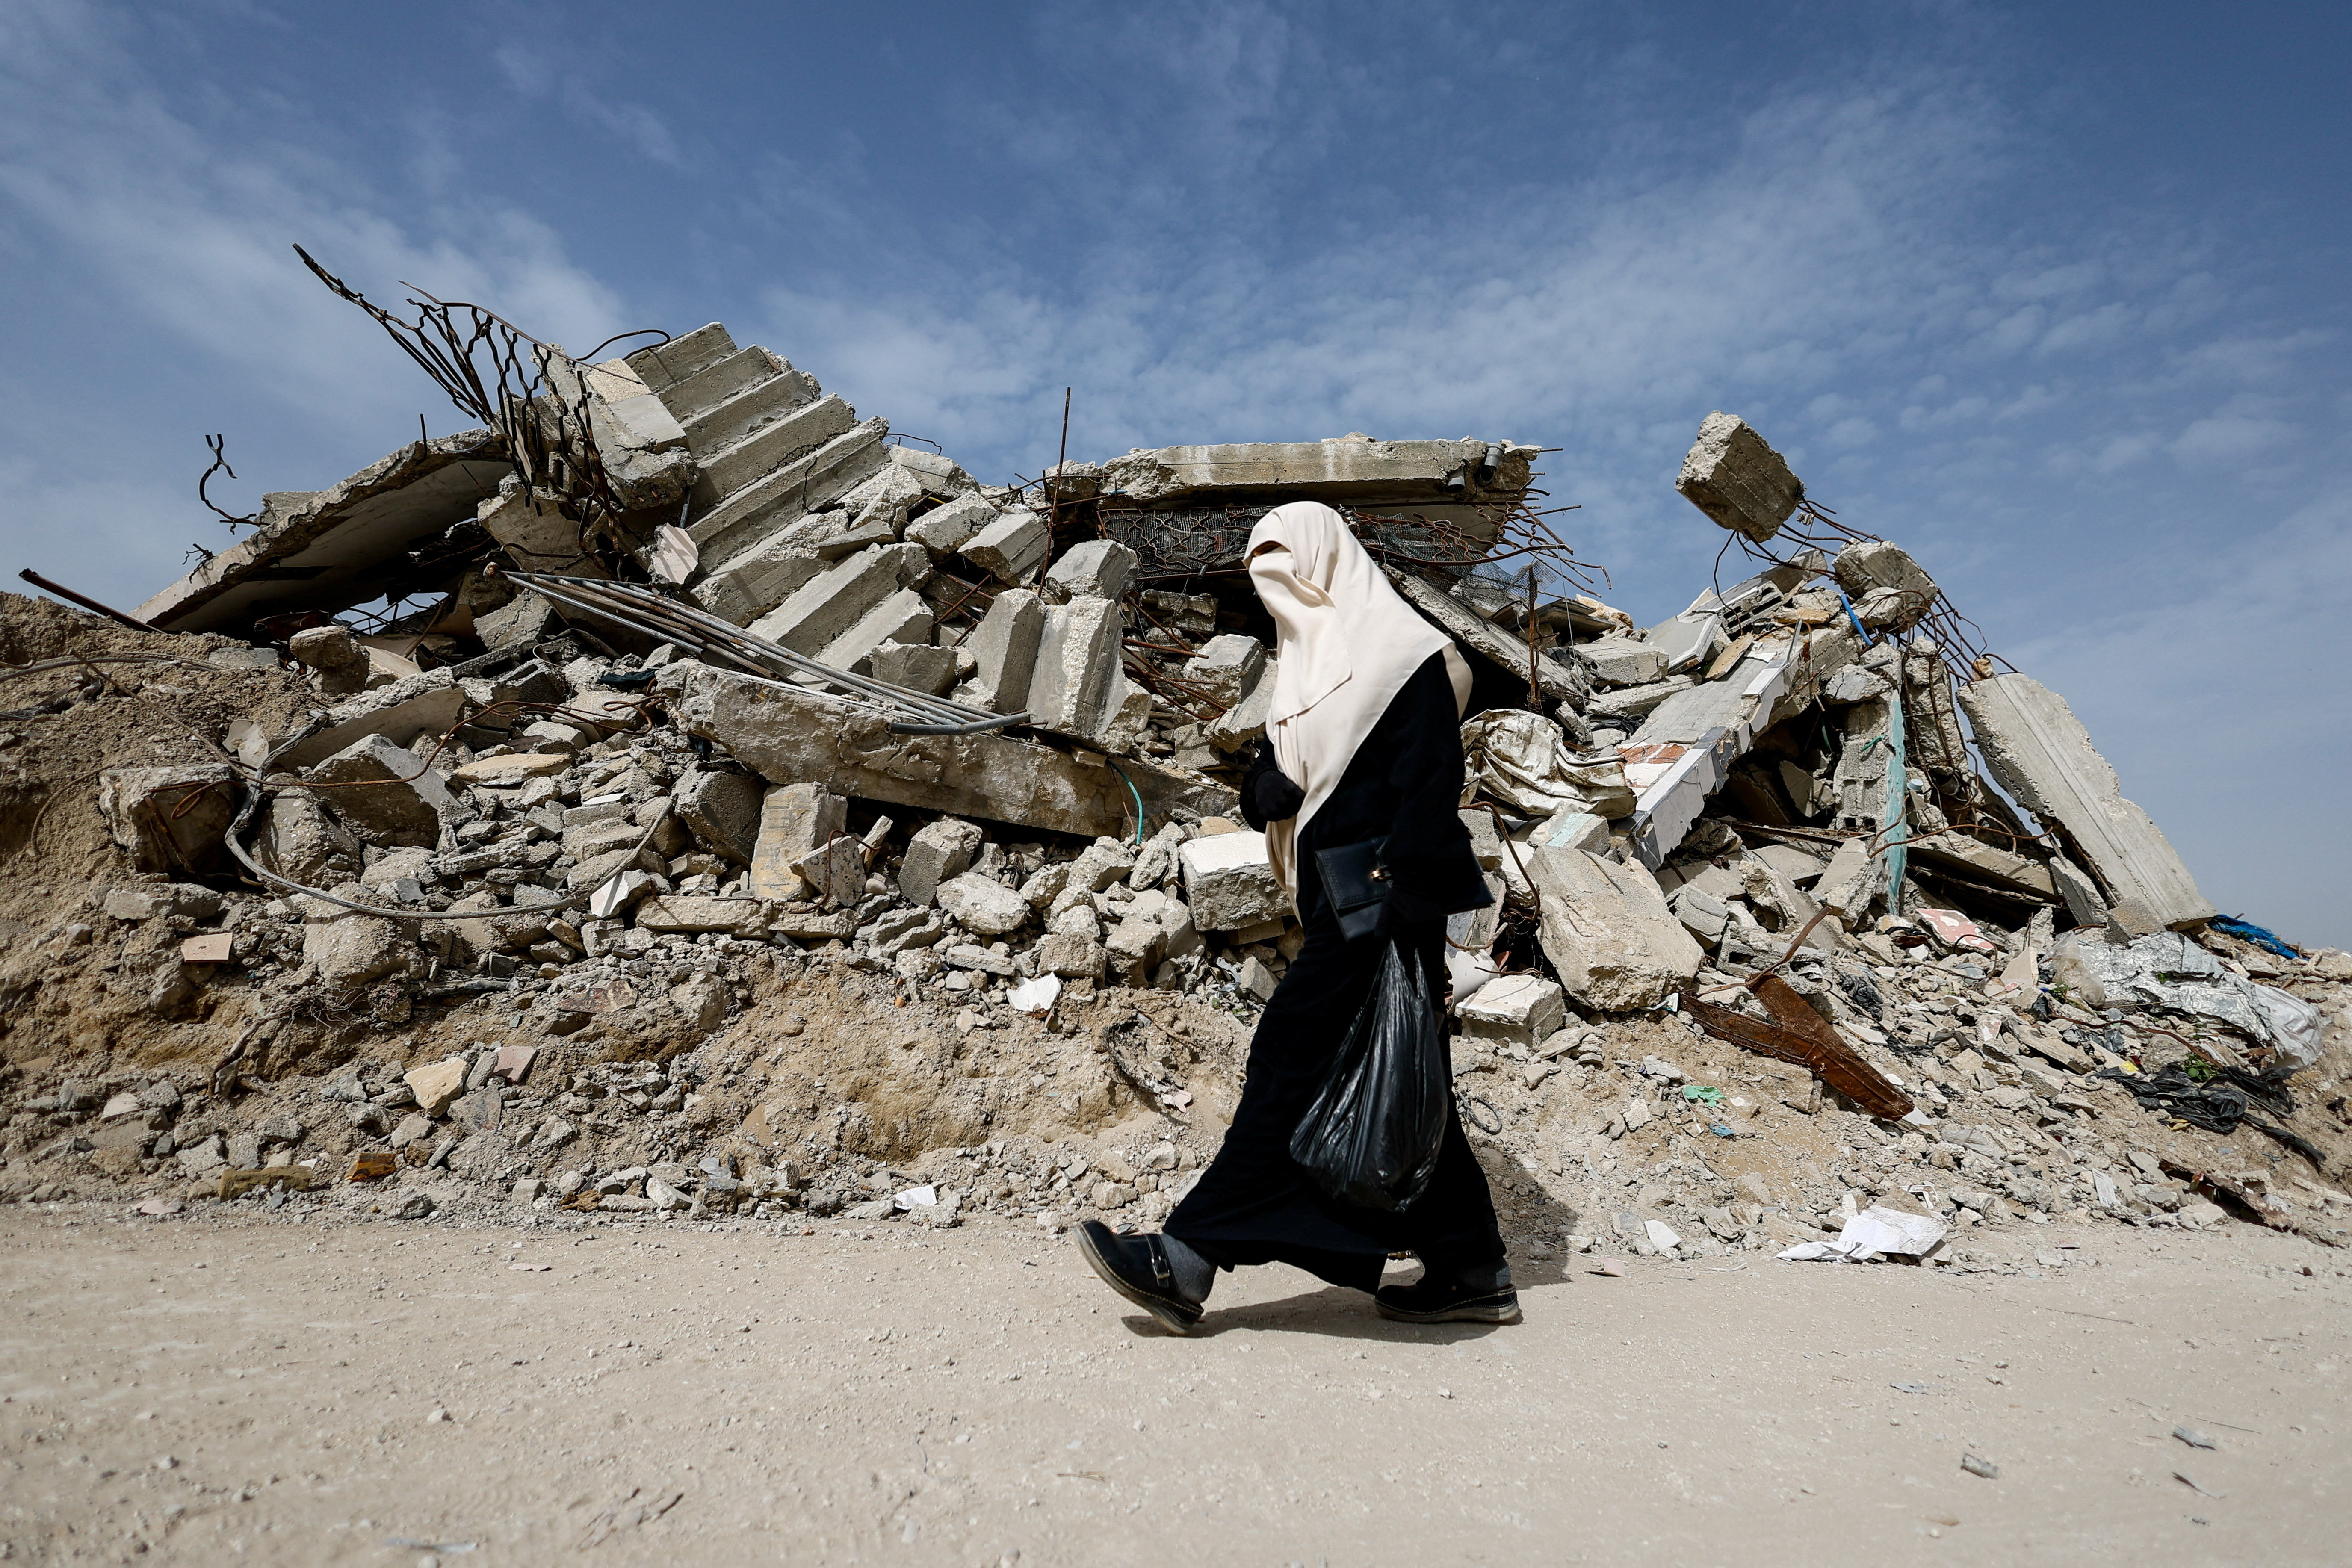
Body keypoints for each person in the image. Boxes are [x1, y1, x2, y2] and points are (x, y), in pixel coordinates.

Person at [1076, 500, 1514, 1335]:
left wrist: (1404, 919)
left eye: (1289, 572)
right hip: (1337, 907)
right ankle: (1470, 1263)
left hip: (1383, 905)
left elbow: (1429, 786)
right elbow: (1279, 788)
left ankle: (1188, 1256)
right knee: (1404, 1077)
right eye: (1263, 580)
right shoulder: (1309, 672)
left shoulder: (1404, 655)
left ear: (1328, 563)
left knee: (1287, 1056)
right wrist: (1266, 788)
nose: (1279, 593)